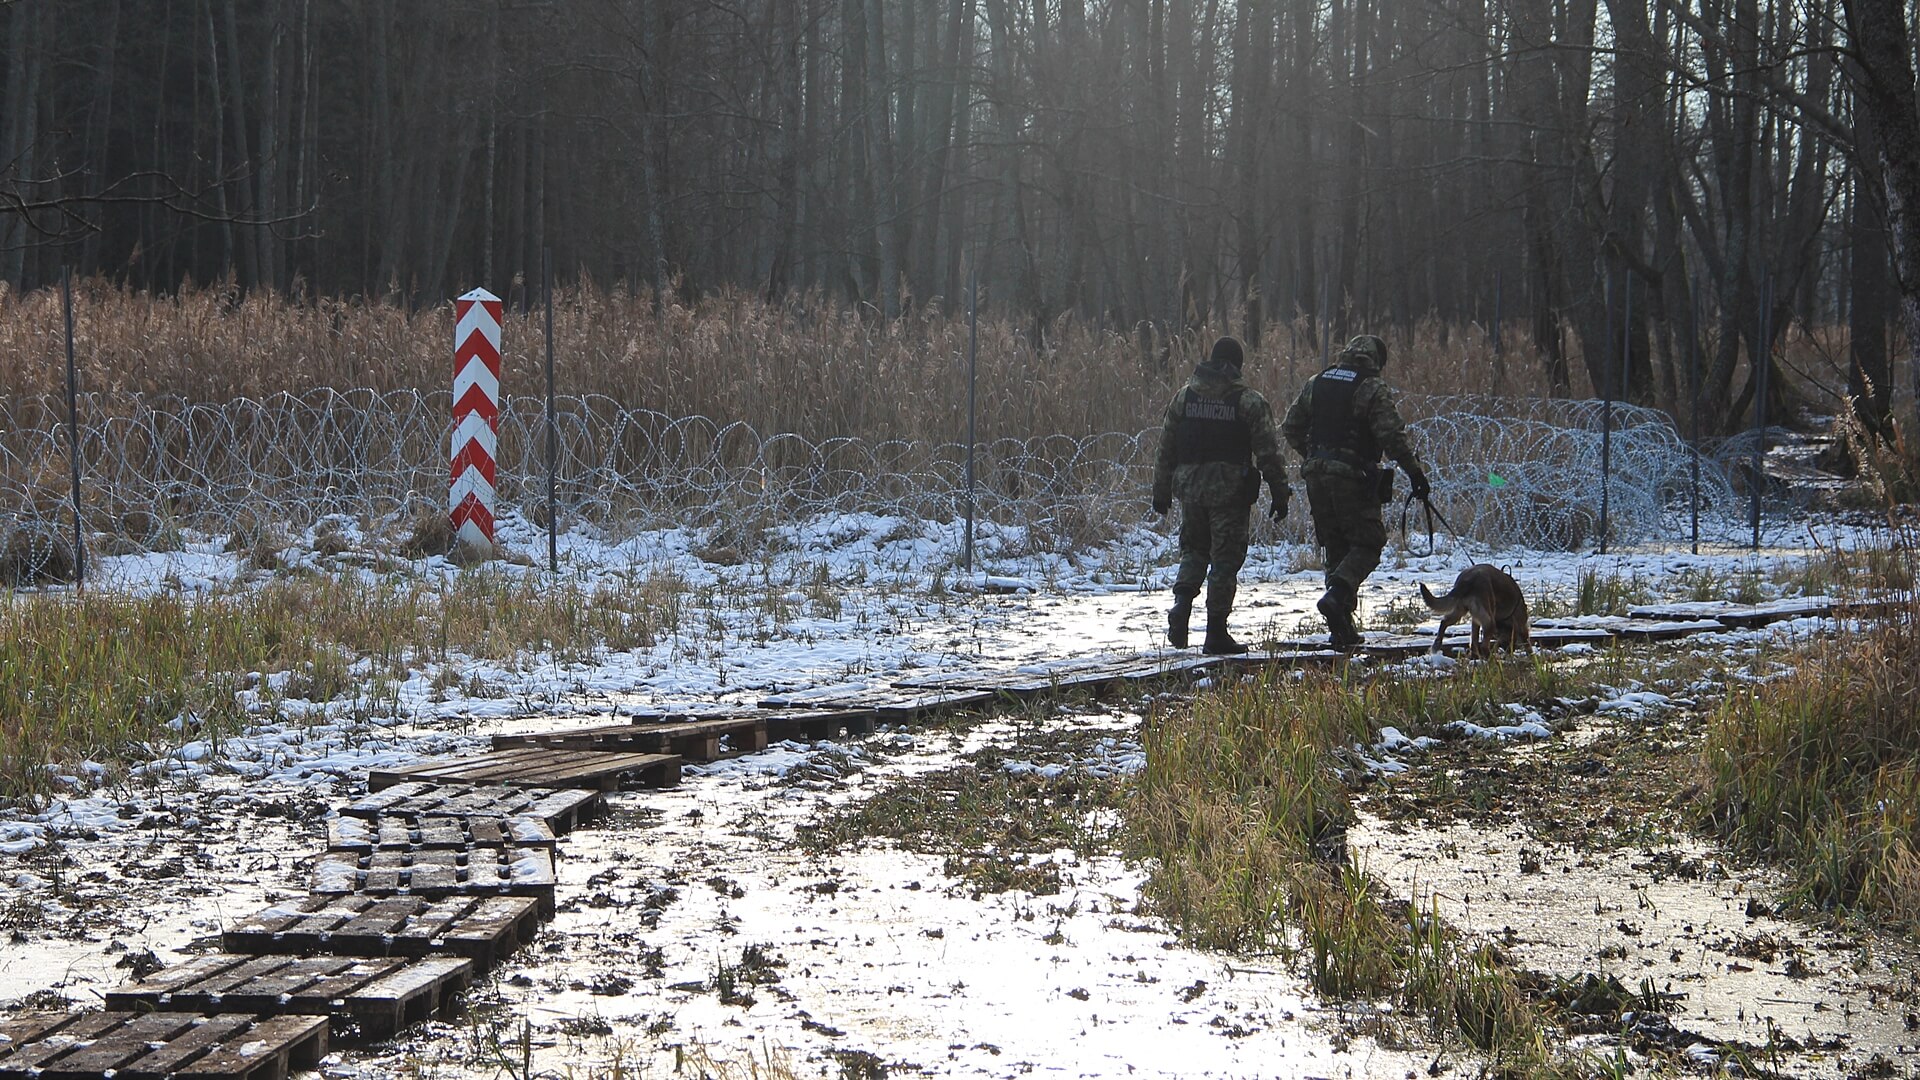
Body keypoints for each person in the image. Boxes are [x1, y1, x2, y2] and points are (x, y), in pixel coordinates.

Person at [1281, 333, 1430, 648]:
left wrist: (1314, 456)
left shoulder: (1318, 382)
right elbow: (1391, 436)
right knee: (1368, 543)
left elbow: (1290, 426)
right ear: (1375, 360)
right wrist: (1415, 473)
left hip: (1316, 475)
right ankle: (1337, 595)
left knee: (1336, 546)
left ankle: (1341, 627)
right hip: (1351, 476)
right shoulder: (1371, 387)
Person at [1151, 336, 1290, 655]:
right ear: (1238, 365)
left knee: (1194, 550)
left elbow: (1165, 448)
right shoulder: (1248, 401)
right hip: (1229, 492)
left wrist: (1161, 491)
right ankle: (1215, 632)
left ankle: (1182, 604)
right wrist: (1280, 493)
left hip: (1191, 489)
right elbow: (1268, 454)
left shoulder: (1184, 397)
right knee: (1225, 560)